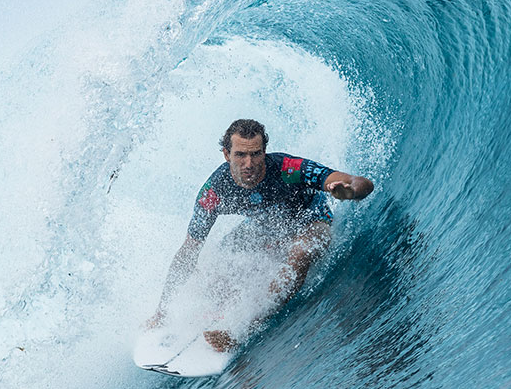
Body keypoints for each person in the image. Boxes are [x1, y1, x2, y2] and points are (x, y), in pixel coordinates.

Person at [147, 118, 374, 352]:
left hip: (310, 221)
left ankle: (239, 331)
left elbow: (360, 182)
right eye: (240, 155)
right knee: (215, 275)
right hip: (264, 227)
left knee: (299, 254)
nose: (249, 163)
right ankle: (202, 315)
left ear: (264, 152)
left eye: (256, 154)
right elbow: (189, 251)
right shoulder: (215, 191)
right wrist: (162, 310)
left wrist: (350, 192)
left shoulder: (288, 168)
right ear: (226, 155)